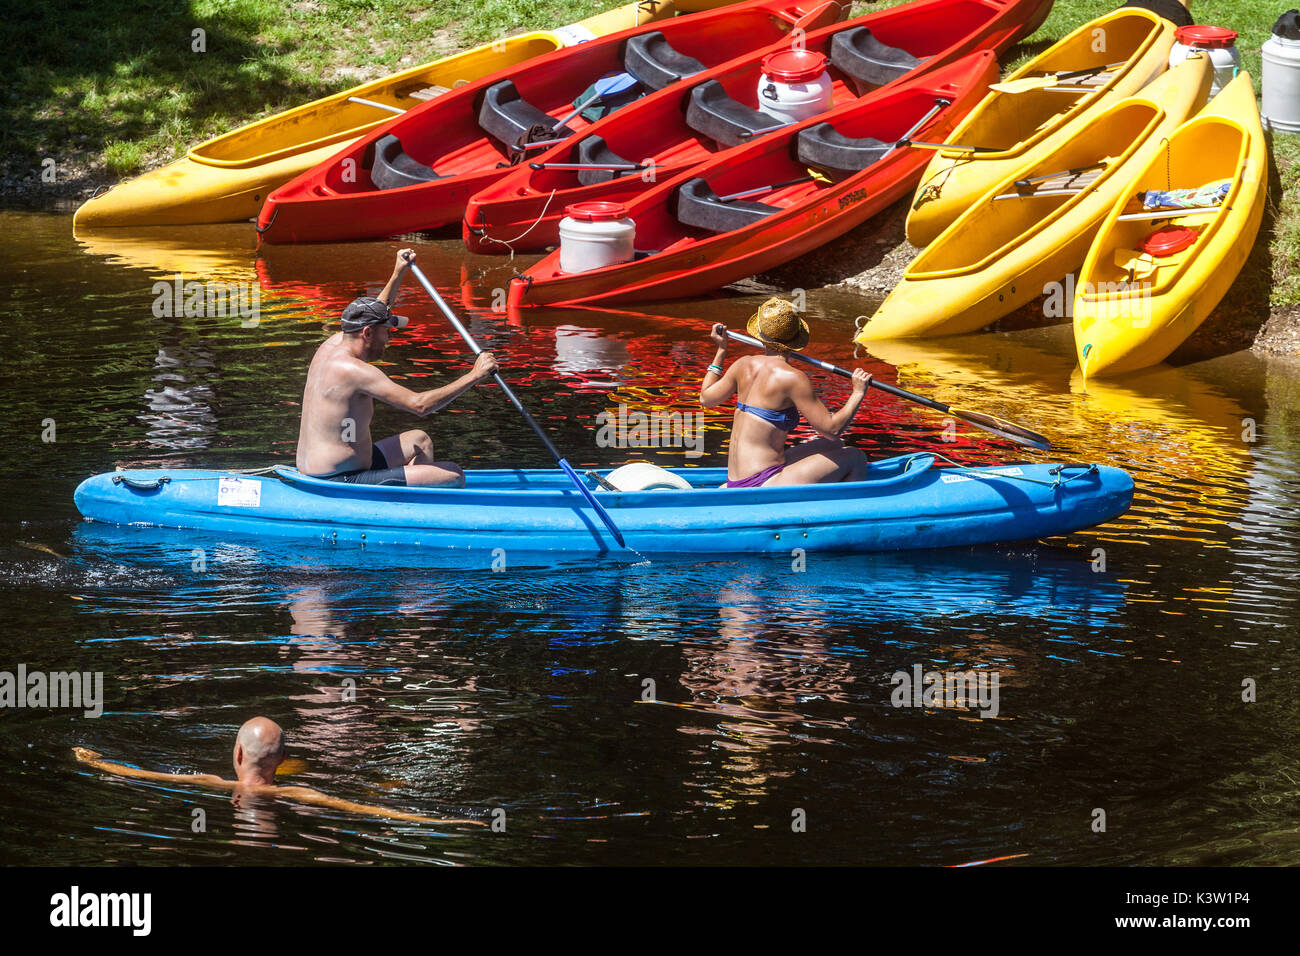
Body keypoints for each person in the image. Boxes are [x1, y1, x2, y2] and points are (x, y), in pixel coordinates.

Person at [295, 249, 498, 486]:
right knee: (453, 475)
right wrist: (475, 375)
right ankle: (411, 508)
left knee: (419, 440)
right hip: (340, 478)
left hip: (335, 464)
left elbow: (376, 310)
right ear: (368, 334)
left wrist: (398, 271)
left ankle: (411, 499)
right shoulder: (356, 371)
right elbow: (419, 405)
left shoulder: (333, 344)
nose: (389, 339)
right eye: (387, 332)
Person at [72, 717, 485, 826]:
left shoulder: (209, 783)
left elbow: (145, 775)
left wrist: (93, 761)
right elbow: (365, 810)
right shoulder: (295, 794)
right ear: (283, 761)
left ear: (236, 754)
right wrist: (442, 817)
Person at [701, 297, 871, 488]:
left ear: (761, 335)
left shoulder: (743, 363)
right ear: (796, 338)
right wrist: (857, 392)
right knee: (855, 457)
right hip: (763, 482)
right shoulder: (793, 378)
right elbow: (831, 429)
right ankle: (841, 512)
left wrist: (722, 349)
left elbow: (706, 398)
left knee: (835, 445)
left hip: (737, 479)